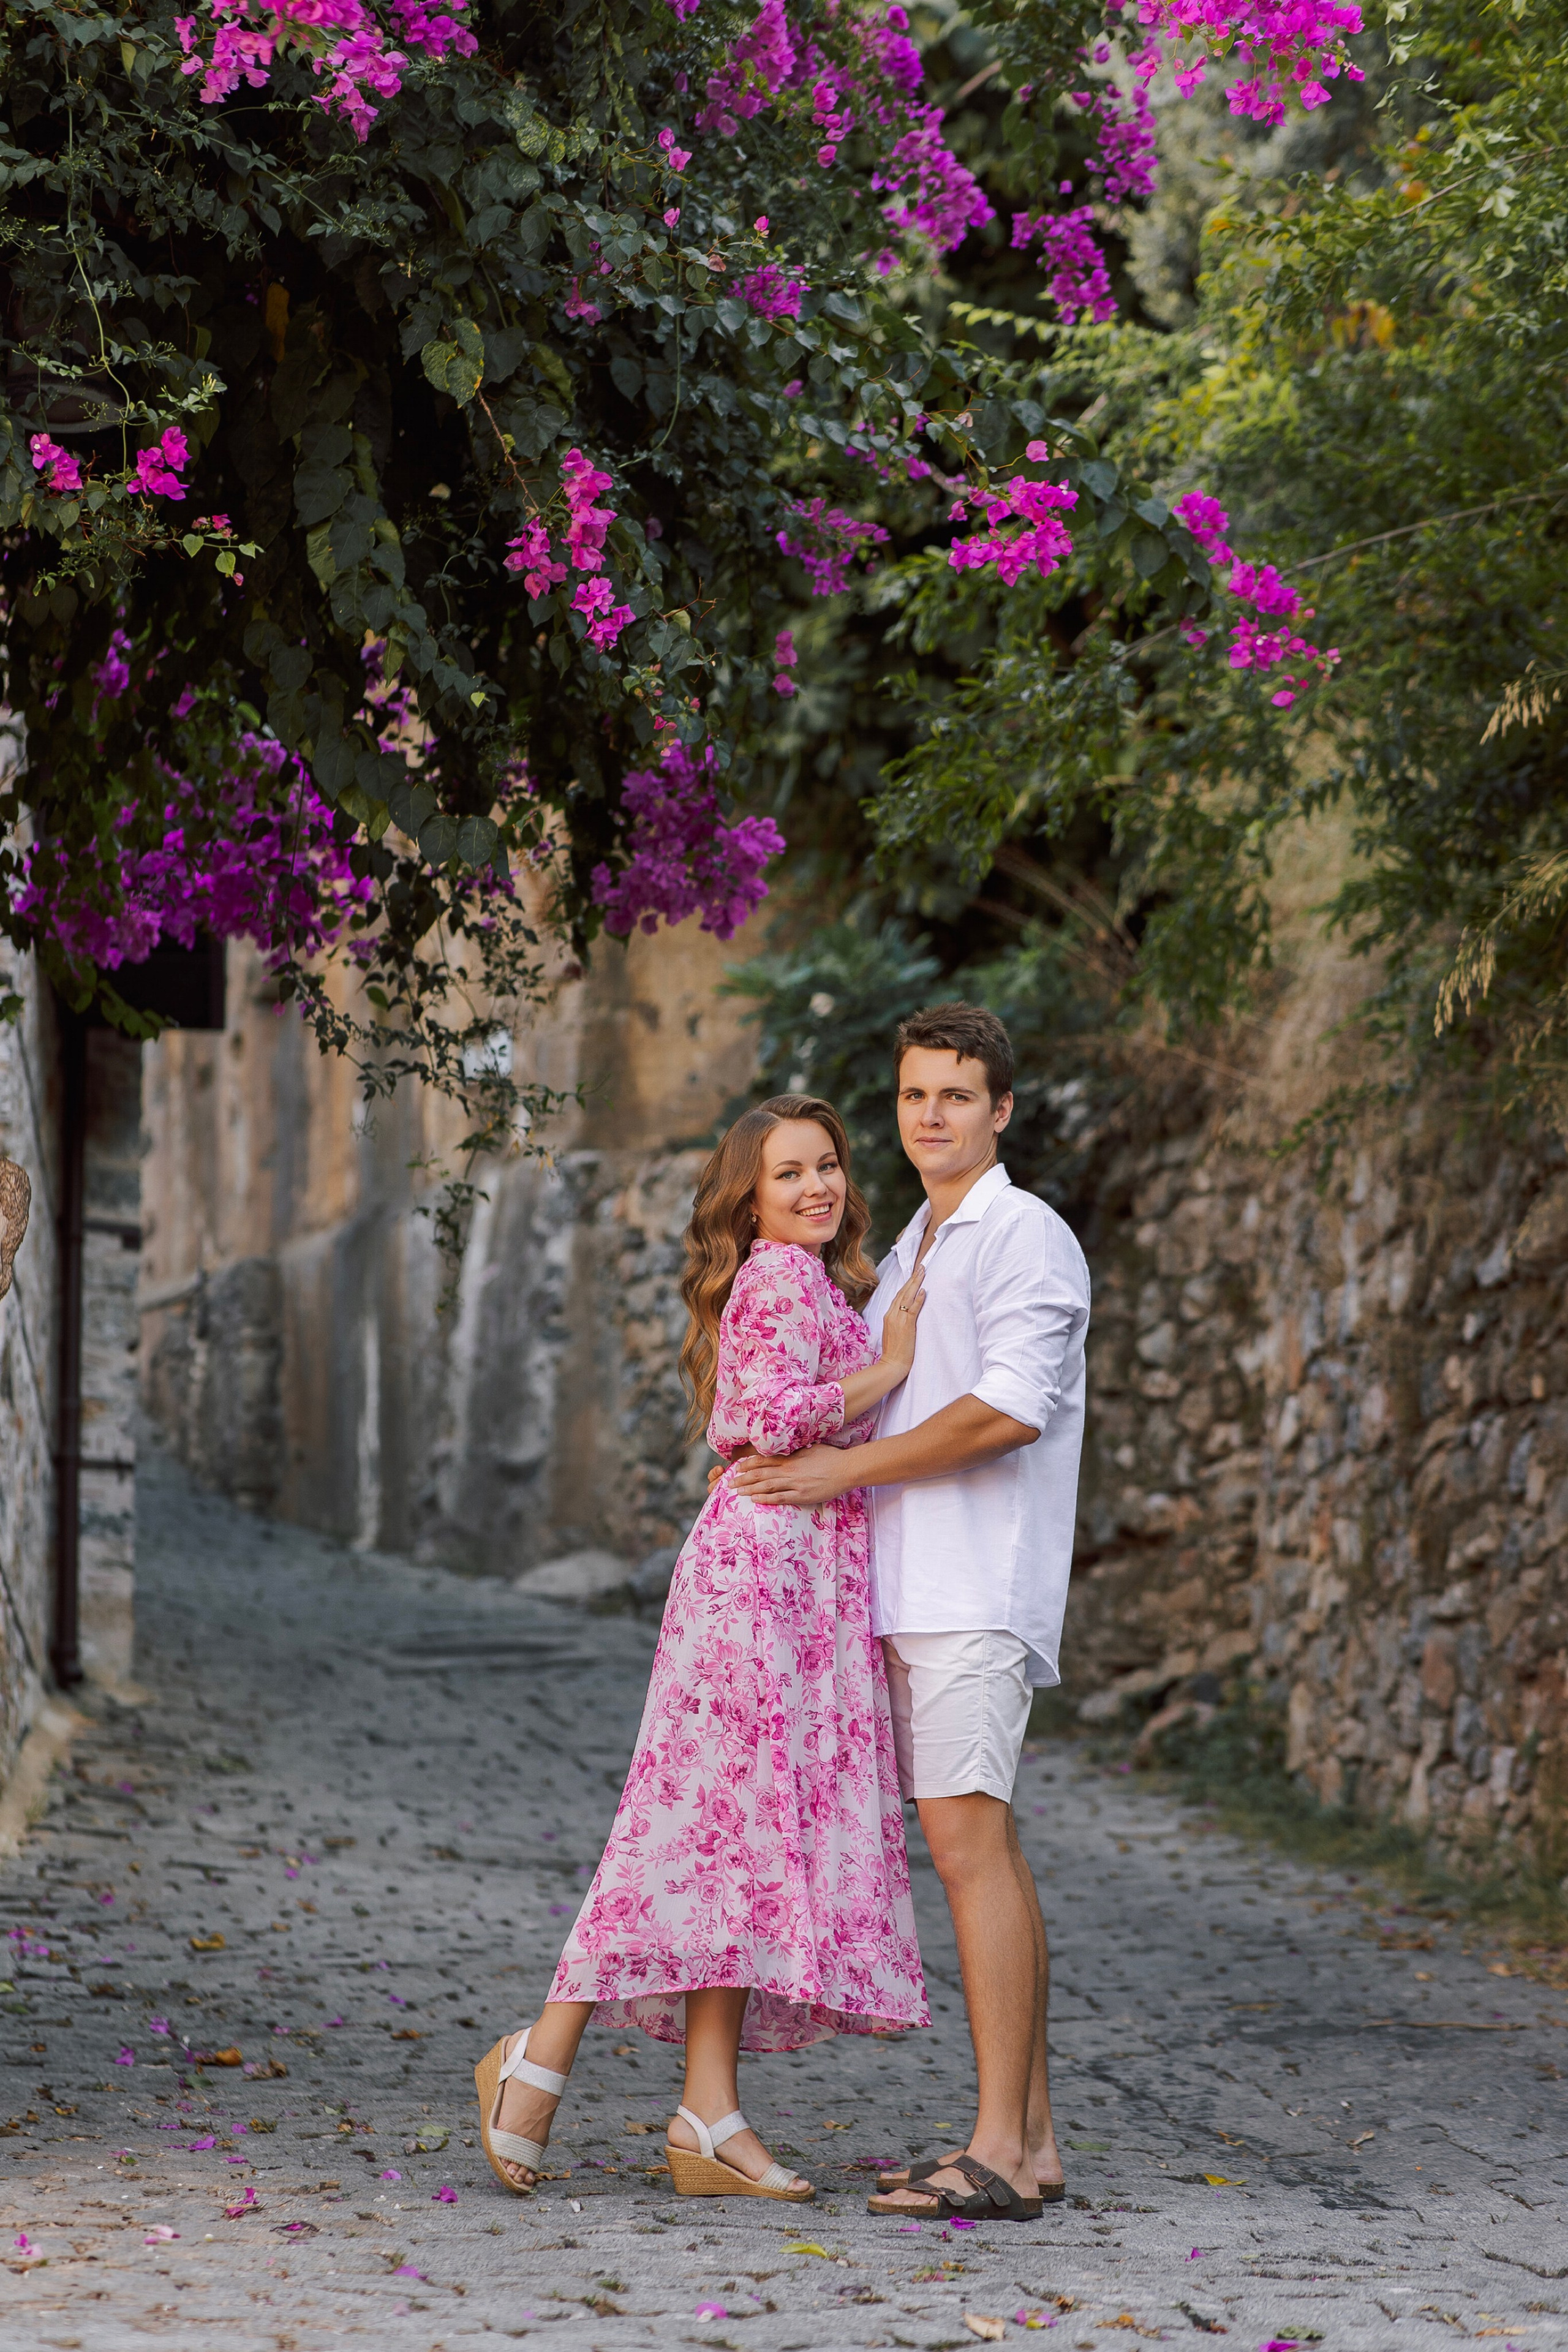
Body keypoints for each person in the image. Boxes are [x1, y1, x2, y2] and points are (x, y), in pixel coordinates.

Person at [475, 1094, 931, 2204]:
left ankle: (709, 2116)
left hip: (800, 1582)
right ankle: (535, 2059)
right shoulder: (779, 1275)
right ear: (751, 1196)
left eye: (828, 1165)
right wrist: (890, 1366)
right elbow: (765, 1414)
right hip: (757, 1582)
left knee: (738, 1850)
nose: (817, 1187)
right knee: (678, 1829)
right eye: (789, 1174)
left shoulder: (817, 1281)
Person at [731, 1003, 1090, 2226]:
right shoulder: (909, 1254)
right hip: (901, 1590)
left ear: (998, 1109)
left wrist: (839, 1473)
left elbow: (1006, 1412)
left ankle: (994, 2150)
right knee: (980, 1847)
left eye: (955, 1094)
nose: (928, 1116)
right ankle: (1027, 2143)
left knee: (965, 1847)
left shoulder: (1021, 1235)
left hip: (971, 1590)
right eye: (910, 1096)